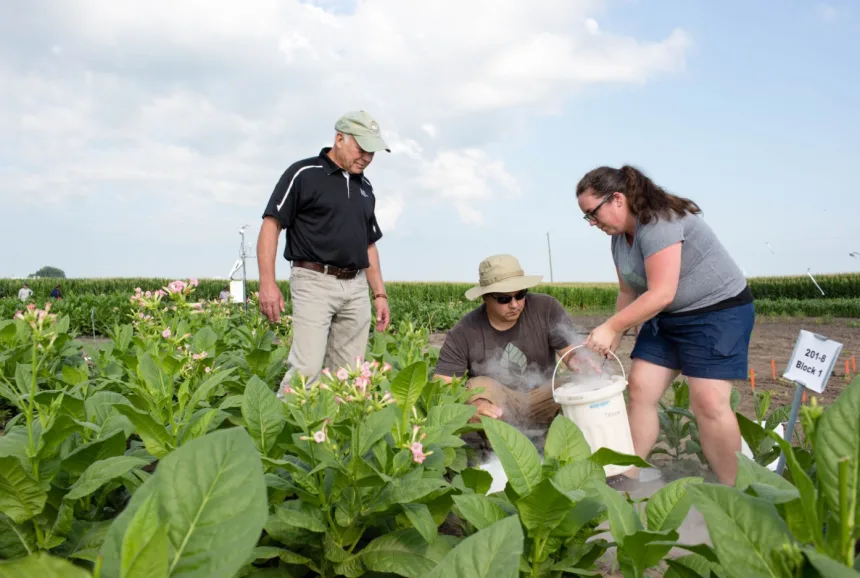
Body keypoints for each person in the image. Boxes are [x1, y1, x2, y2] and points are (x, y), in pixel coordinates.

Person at [576, 165, 754, 485]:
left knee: (709, 401)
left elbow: (661, 292)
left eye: (593, 213)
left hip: (716, 312)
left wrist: (612, 327)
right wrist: (616, 334)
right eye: (586, 217)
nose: (592, 223)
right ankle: (626, 475)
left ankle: (737, 492)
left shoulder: (660, 221)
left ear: (617, 199)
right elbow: (628, 291)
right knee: (641, 388)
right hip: (669, 317)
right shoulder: (618, 240)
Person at [257, 110, 392, 388]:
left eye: (372, 152)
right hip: (314, 282)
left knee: (348, 373)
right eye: (362, 148)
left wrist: (379, 293)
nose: (367, 157)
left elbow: (368, 244)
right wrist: (267, 282)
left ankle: (332, 430)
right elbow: (272, 225)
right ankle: (281, 430)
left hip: (355, 288)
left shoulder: (365, 186)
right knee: (306, 368)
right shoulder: (304, 173)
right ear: (339, 138)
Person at [432, 254, 599, 433]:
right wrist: (474, 407)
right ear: (485, 297)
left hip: (544, 398)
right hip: (498, 409)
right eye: (504, 299)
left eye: (520, 295)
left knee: (575, 388)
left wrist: (577, 358)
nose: (514, 304)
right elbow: (442, 385)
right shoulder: (464, 331)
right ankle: (492, 448)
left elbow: (570, 351)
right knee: (478, 387)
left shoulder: (546, 308)